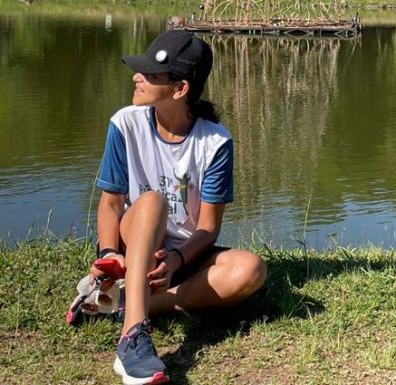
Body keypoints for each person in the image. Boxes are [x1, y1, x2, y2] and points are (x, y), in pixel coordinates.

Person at [90, 30, 267, 385]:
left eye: (150, 74)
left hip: (182, 258)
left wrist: (175, 261)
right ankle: (132, 336)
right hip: (133, 245)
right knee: (152, 202)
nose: (136, 78)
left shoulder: (215, 142)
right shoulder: (125, 124)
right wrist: (109, 253)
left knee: (250, 270)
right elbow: (110, 204)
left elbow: (207, 229)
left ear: (180, 88)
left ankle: (126, 304)